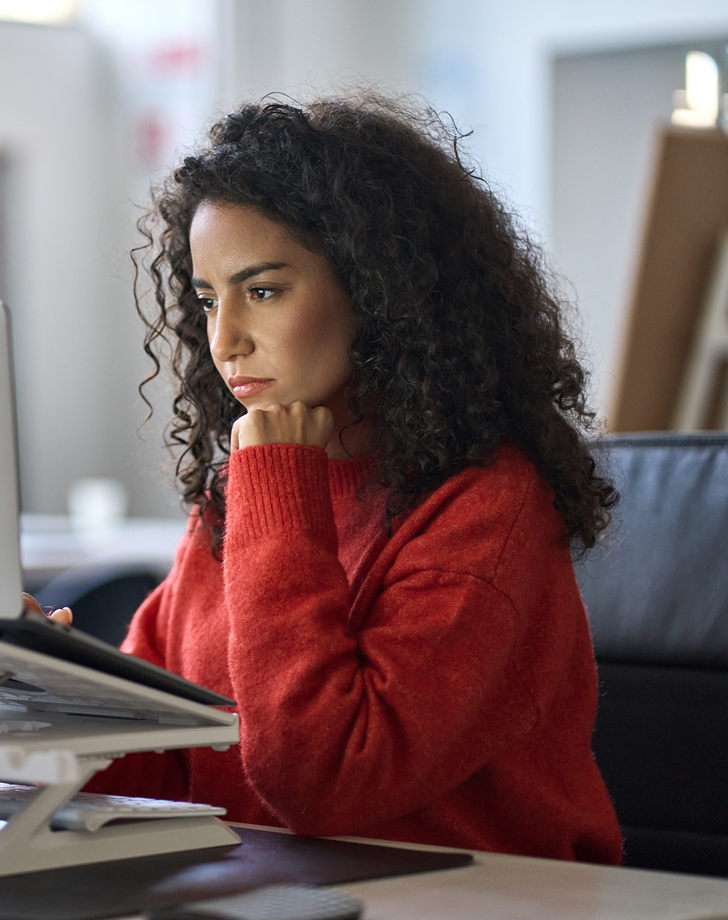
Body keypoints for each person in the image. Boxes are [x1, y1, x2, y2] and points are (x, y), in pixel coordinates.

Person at [81, 93, 624, 864]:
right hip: (268, 890)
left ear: (379, 293)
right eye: (207, 299)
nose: (223, 339)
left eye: (262, 291)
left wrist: (275, 489)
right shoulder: (238, 501)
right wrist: (37, 692)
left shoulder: (489, 506)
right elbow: (157, 762)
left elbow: (323, 779)